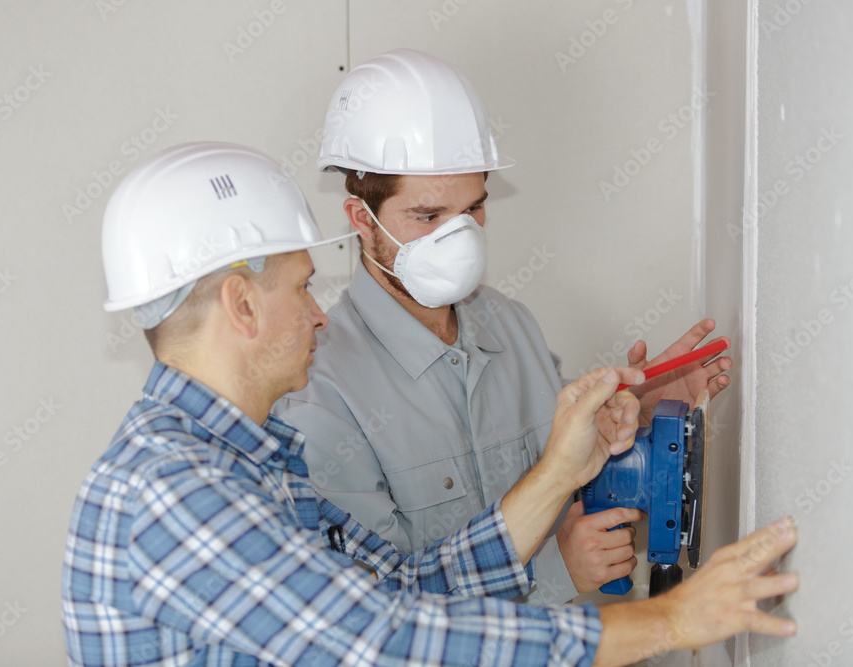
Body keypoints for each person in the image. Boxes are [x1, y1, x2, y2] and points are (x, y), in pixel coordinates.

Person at [61, 142, 797, 667]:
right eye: (300, 288)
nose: (320, 315)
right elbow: (386, 641)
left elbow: (412, 586)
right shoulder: (172, 491)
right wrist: (669, 618)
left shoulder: (253, 468)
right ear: (242, 305)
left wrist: (562, 469)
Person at [273, 49, 733, 604]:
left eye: (474, 208)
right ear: (360, 221)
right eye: (428, 217)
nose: (459, 236)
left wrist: (637, 419)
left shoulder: (510, 327)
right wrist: (558, 571)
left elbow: (571, 479)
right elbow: (373, 619)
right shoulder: (318, 390)